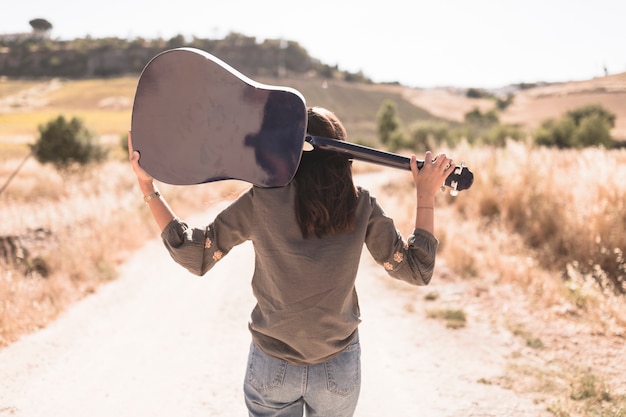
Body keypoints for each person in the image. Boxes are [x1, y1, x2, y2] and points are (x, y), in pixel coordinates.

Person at [128, 106, 454, 417]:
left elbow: (194, 254)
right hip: (336, 368)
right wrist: (425, 195)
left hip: (273, 366)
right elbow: (416, 270)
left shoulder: (262, 200)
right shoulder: (361, 205)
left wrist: (148, 187)